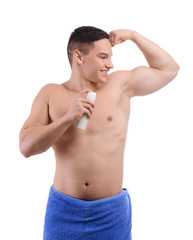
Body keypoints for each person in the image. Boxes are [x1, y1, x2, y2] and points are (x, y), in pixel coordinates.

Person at [19, 26, 179, 240]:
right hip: (64, 211)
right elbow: (26, 147)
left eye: (111, 57)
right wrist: (68, 118)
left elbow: (169, 69)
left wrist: (134, 36)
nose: (110, 64)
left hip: (111, 213)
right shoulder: (51, 93)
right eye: (103, 57)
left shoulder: (120, 84)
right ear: (78, 56)